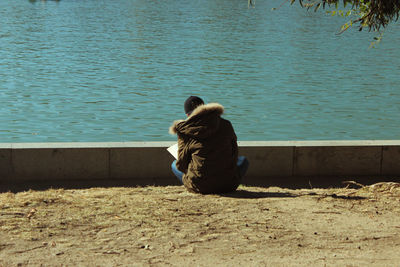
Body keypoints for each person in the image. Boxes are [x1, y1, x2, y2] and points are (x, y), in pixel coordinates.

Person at [169, 96, 249, 194]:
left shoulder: (184, 130)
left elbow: (181, 165)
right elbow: (234, 153)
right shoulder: (226, 124)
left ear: (187, 114)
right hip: (228, 184)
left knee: (174, 165)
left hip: (201, 187)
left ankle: (196, 183)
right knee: (243, 161)